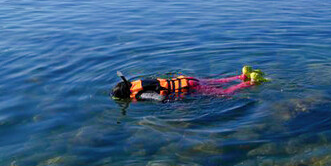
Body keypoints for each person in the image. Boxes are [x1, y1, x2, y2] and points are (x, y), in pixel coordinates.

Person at [111, 67, 266, 102]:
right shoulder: (138, 82)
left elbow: (160, 99)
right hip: (186, 79)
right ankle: (241, 76)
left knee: (224, 94)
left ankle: (250, 83)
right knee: (217, 82)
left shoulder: (138, 94)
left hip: (188, 87)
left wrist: (174, 104)